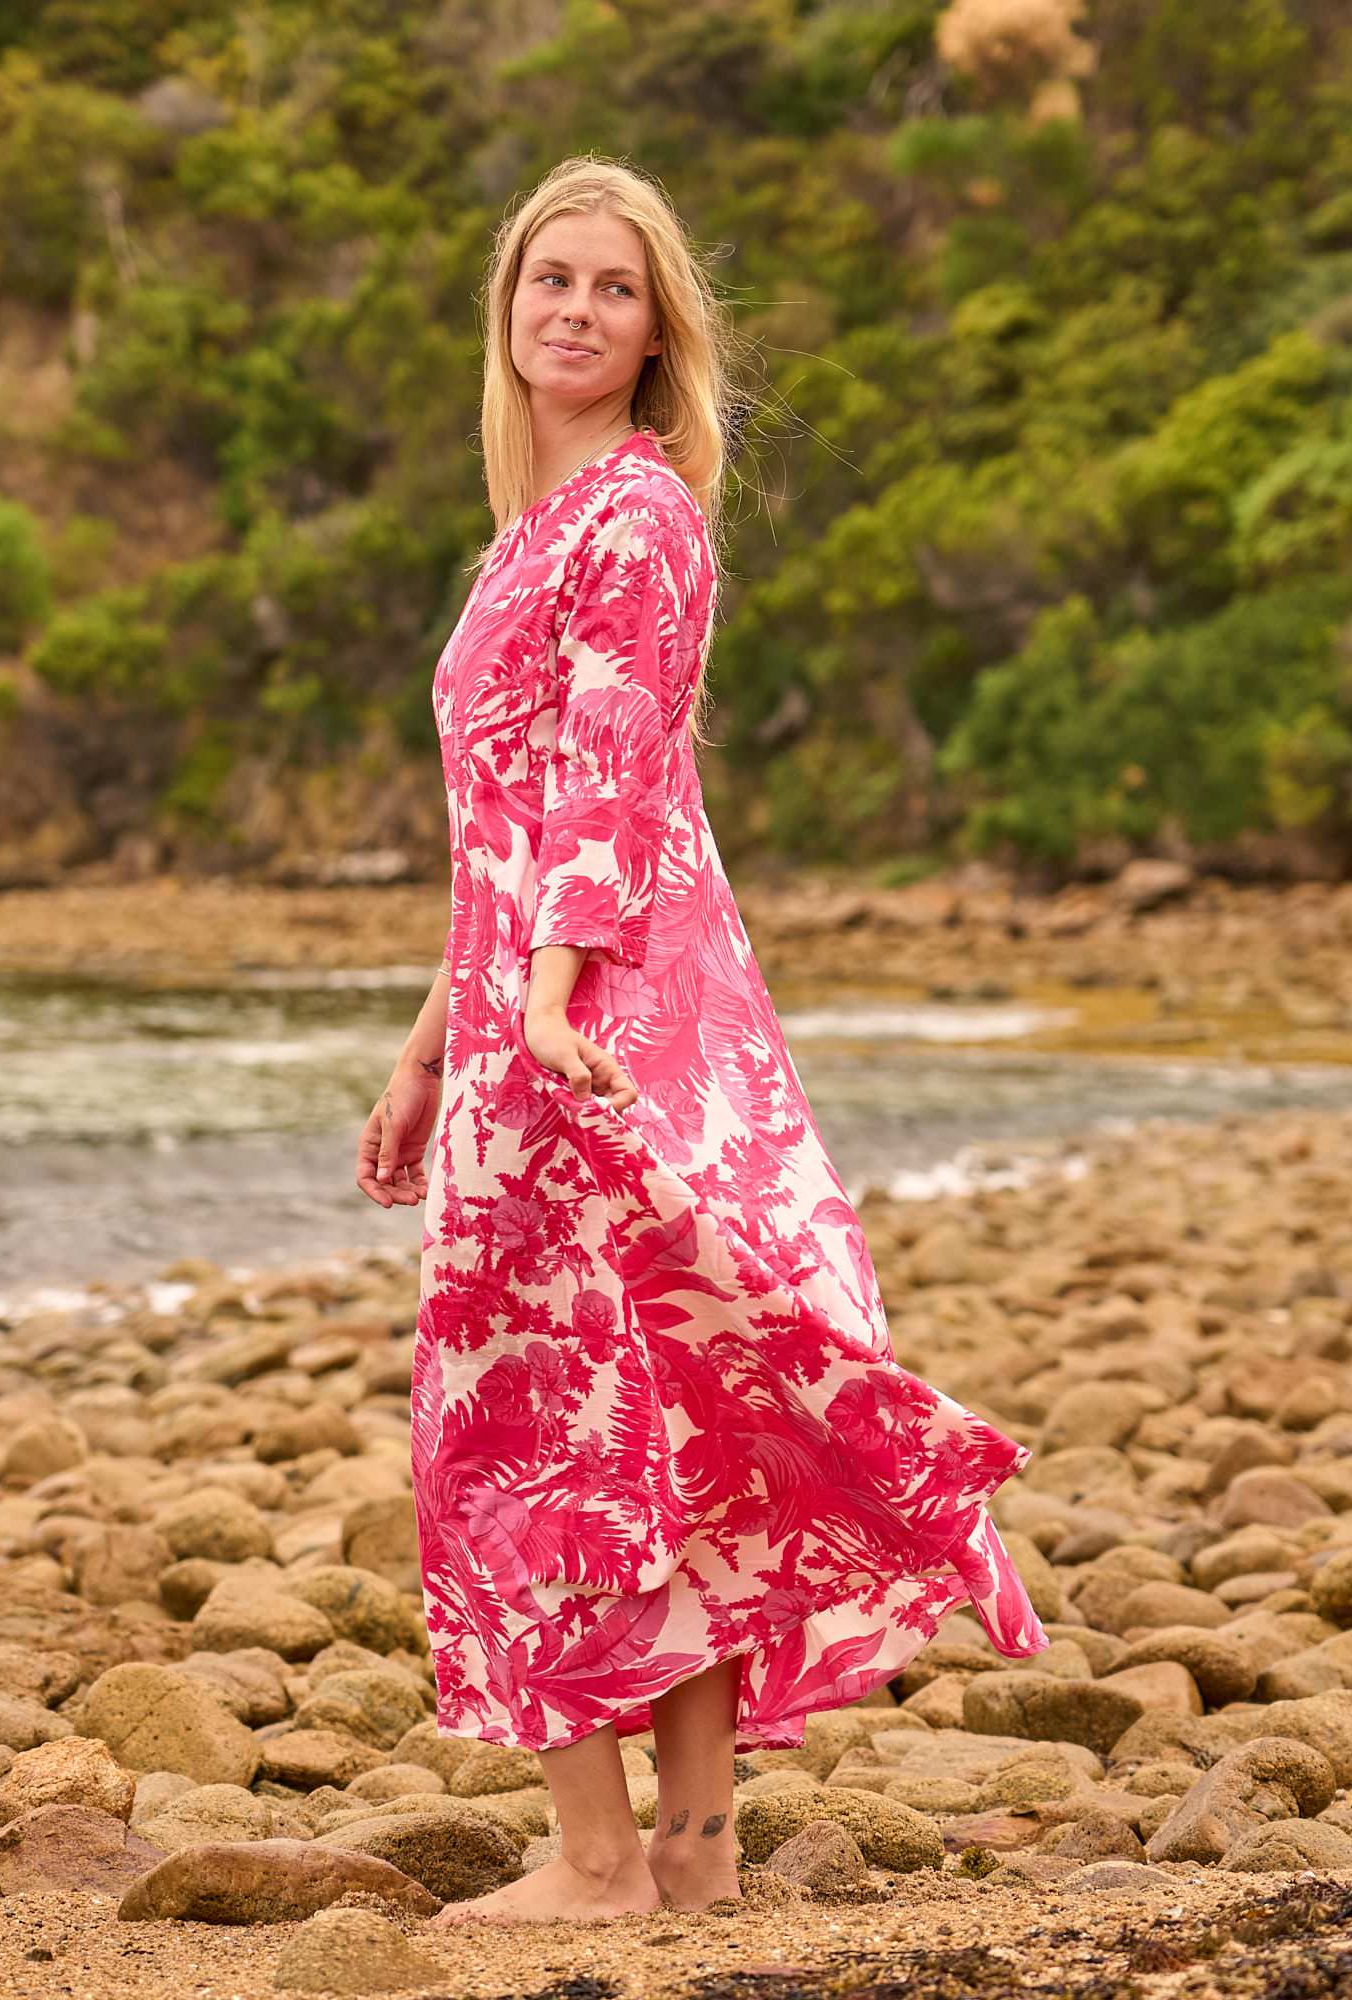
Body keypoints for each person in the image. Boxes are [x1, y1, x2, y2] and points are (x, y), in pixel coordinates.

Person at [355, 155, 1049, 1928]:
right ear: (506, 311)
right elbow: (502, 828)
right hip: (540, 1014)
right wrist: (439, 1035)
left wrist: (549, 993)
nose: (572, 308)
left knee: (524, 1427)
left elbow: (606, 781)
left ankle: (597, 1863)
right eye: (547, 279)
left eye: (611, 286)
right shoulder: (543, 525)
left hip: (584, 1032)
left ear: (660, 331)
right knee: (645, 1410)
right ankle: (690, 1850)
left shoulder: (638, 517)